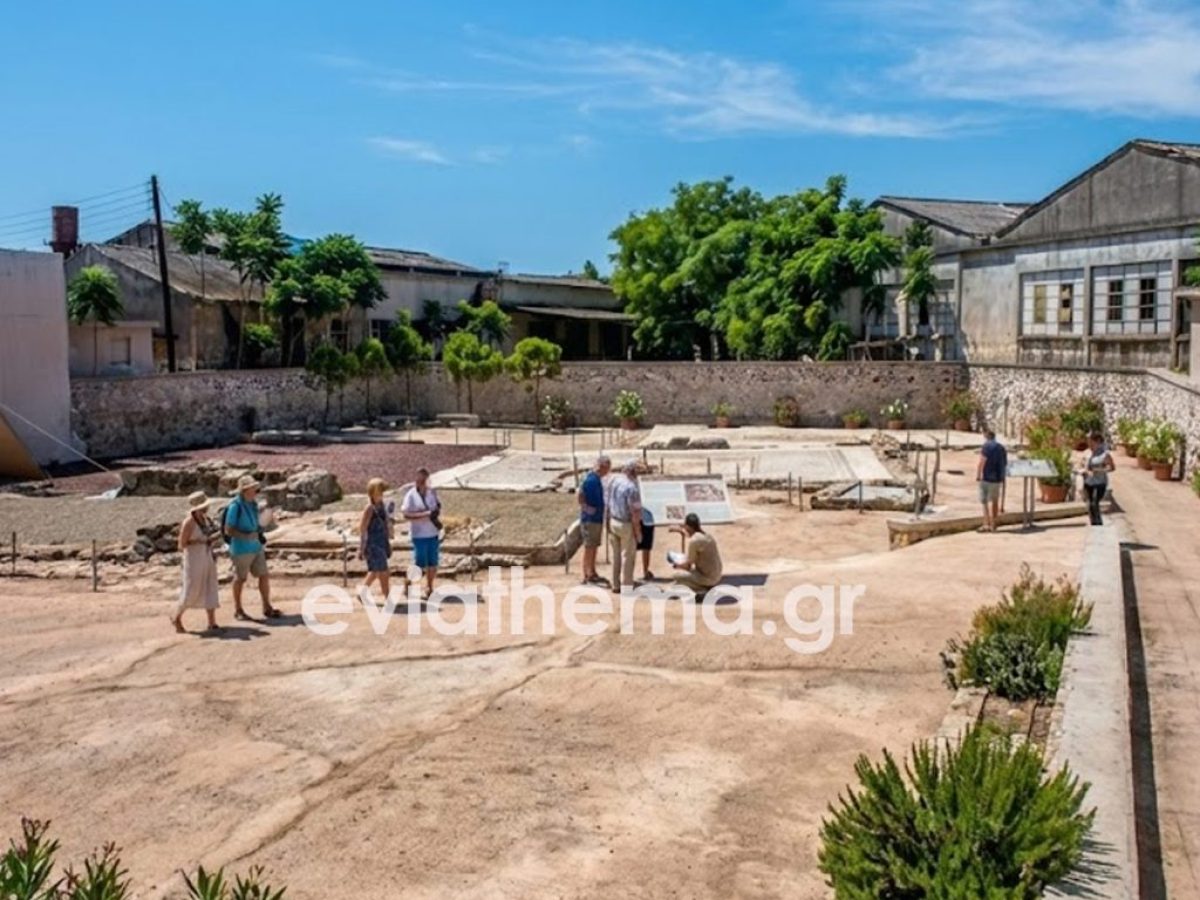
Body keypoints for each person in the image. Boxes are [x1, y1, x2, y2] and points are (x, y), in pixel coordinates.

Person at [223, 475, 280, 620]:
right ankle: (238, 609)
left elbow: (258, 524)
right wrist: (245, 536)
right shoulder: (235, 506)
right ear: (246, 490)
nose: (256, 490)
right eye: (253, 488)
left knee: (264, 575)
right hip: (241, 548)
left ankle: (267, 606)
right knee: (240, 579)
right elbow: (228, 529)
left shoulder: (253, 504)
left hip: (255, 546)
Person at [173, 491, 222, 633]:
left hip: (206, 555)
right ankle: (177, 617)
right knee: (191, 589)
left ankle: (212, 622)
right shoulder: (189, 522)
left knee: (210, 584)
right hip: (194, 558)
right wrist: (200, 541)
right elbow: (181, 544)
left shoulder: (205, 519)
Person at [402, 467, 441, 598]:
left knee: (433, 562)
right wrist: (424, 514)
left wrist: (434, 514)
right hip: (419, 534)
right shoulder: (411, 495)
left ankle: (429, 587)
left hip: (432, 532)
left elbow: (437, 508)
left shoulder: (432, 493)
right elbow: (406, 514)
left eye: (425, 478)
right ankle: (408, 581)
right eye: (420, 478)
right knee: (419, 563)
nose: (422, 481)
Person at [607, 460, 643, 592]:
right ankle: (626, 585)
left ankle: (615, 584)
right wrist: (638, 531)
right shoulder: (632, 489)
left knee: (615, 556)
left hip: (613, 521)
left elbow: (608, 503)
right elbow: (635, 513)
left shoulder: (615, 482)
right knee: (628, 556)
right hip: (626, 524)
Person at [358, 478, 395, 601]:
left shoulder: (382, 506)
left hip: (382, 541)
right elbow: (363, 529)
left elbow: (386, 523)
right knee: (383, 572)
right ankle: (388, 598)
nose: (382, 495)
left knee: (375, 571)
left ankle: (362, 593)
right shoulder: (370, 509)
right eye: (380, 492)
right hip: (373, 544)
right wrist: (362, 547)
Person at [577, 455, 611, 587]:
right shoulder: (591, 480)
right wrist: (586, 508)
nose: (608, 471)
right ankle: (586, 574)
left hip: (596, 518)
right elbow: (580, 495)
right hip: (590, 519)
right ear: (602, 466)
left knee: (594, 546)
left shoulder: (596, 479)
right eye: (607, 468)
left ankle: (592, 571)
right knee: (589, 547)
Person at [669, 513, 723, 594]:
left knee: (676, 576)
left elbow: (688, 566)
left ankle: (701, 590)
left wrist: (676, 565)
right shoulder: (708, 536)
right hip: (717, 575)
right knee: (684, 577)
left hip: (707, 578)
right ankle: (704, 586)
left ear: (688, 526)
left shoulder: (694, 541)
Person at [976, 429, 1008, 533]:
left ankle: (986, 524)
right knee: (994, 501)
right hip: (997, 478)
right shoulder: (1001, 448)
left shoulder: (986, 447)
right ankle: (994, 525)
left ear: (986, 436)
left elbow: (982, 461)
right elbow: (1005, 463)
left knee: (985, 501)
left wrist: (978, 475)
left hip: (986, 478)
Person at [1081, 431, 1115, 526]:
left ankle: (1098, 524)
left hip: (1100, 482)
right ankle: (1093, 523)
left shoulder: (1104, 454)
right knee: (1090, 504)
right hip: (1088, 482)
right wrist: (1084, 470)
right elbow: (1081, 465)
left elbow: (1111, 467)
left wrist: (1100, 470)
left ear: (1097, 441)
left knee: (1094, 502)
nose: (1089, 443)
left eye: (1091, 441)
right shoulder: (1086, 453)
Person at [637, 505, 656, 581]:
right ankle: (645, 571)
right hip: (645, 519)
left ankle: (645, 571)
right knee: (646, 548)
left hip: (641, 518)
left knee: (645, 547)